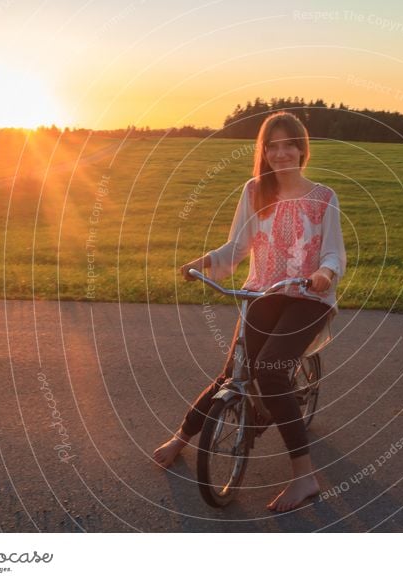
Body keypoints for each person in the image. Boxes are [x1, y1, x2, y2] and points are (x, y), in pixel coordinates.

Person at [153, 111, 346, 510]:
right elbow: (237, 248)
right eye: (271, 146)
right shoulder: (254, 191)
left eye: (288, 144)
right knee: (234, 373)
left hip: (308, 298)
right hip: (263, 293)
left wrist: (325, 274)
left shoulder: (323, 196)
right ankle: (181, 438)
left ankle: (304, 478)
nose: (280, 153)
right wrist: (201, 262)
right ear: (263, 152)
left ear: (302, 147)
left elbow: (333, 253)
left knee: (272, 372)